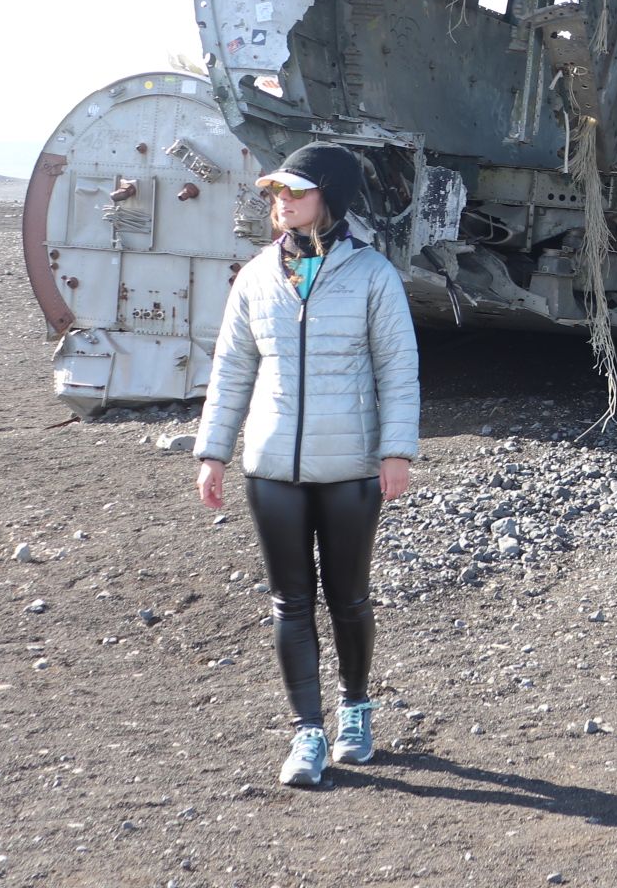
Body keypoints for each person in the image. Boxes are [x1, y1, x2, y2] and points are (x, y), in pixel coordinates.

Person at [193, 141, 420, 787]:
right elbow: (232, 369)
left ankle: (355, 710)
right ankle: (308, 732)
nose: (281, 202)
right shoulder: (257, 276)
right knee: (289, 602)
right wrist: (212, 452)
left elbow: (397, 368)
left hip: (351, 468)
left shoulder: (373, 274)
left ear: (330, 196)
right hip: (270, 467)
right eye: (276, 193)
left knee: (348, 599)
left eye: (295, 191)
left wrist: (397, 450)